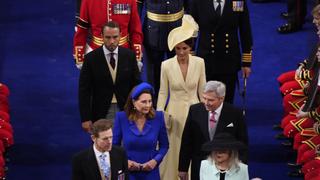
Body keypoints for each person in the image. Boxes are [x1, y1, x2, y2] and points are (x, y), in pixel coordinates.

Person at [156, 15, 206, 180]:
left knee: (194, 145)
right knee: (175, 147)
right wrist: (159, 115)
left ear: (190, 47)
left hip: (195, 112)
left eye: (184, 48)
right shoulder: (166, 65)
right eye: (178, 49)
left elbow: (203, 90)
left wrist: (207, 113)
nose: (181, 52)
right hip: (174, 113)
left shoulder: (199, 63)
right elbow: (163, 92)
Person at [78, 21, 142, 133]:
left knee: (124, 146)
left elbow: (136, 86)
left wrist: (139, 110)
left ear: (120, 36)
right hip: (100, 111)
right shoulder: (90, 59)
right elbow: (84, 91)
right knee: (102, 146)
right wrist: (86, 118)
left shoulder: (129, 55)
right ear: (101, 36)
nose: (111, 41)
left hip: (126, 110)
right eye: (108, 37)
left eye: (115, 37)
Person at [178, 81, 249, 180]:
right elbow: (187, 141)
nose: (206, 103)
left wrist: (241, 168)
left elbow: (242, 143)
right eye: (204, 98)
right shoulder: (194, 110)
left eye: (211, 100)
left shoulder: (235, 114)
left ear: (222, 98)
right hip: (199, 167)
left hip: (228, 169)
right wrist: (183, 168)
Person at [190, 0, 253, 104]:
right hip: (206, 58)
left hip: (229, 60)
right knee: (206, 100)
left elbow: (245, 30)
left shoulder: (237, 1)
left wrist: (246, 62)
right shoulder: (198, 1)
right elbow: (191, 31)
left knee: (227, 101)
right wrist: (190, 58)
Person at [137, 0, 190, 105]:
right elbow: (137, 12)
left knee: (179, 78)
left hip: (178, 34)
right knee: (154, 79)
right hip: (153, 34)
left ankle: (179, 110)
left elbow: (190, 6)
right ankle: (154, 110)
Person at [112, 83, 169, 180]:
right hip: (128, 172)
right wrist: (125, 161)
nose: (148, 105)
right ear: (134, 102)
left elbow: (164, 145)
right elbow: (113, 147)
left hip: (151, 172)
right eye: (144, 102)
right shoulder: (121, 117)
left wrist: (155, 161)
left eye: (150, 101)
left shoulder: (158, 117)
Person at [73, 0, 143, 70]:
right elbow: (82, 29)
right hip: (96, 53)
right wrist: (80, 56)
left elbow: (135, 29)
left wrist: (137, 56)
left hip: (124, 53)